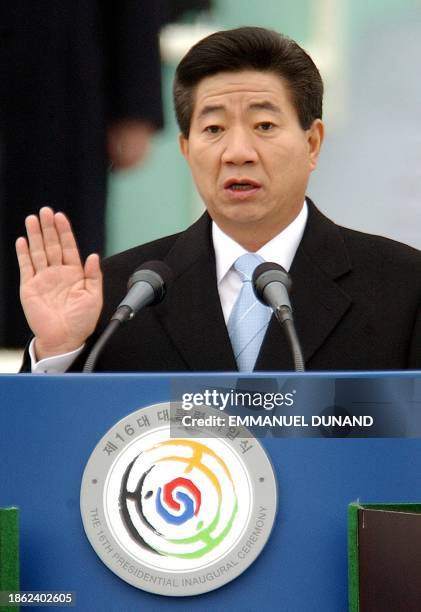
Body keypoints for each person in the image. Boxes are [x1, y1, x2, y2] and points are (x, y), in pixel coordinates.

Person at [17, 27, 421, 373]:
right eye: (213, 129)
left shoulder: (403, 288)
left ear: (312, 142)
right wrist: (57, 351)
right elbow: (51, 448)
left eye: (264, 125)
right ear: (186, 148)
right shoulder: (117, 298)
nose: (237, 152)